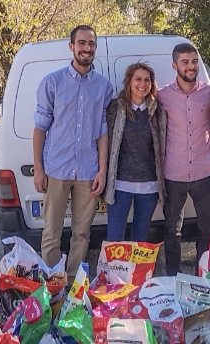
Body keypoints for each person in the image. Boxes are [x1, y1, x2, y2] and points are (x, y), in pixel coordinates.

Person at [33, 25, 113, 277]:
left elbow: (102, 132)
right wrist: (38, 168)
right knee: (51, 232)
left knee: (81, 233)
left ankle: (72, 288)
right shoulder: (52, 82)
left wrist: (102, 169)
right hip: (56, 168)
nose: (86, 48)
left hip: (88, 171)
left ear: (95, 48)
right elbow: (40, 128)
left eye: (91, 44)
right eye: (81, 43)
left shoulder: (104, 87)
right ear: (71, 46)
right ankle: (52, 285)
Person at [157, 43, 210, 276]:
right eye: (185, 62)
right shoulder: (162, 95)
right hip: (174, 174)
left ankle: (202, 276)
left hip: (205, 173)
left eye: (194, 61)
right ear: (175, 65)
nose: (191, 66)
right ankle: (173, 276)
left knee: (208, 229)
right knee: (172, 230)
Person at [104, 62, 168, 242]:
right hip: (120, 186)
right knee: (114, 237)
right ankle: (111, 271)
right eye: (138, 79)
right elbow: (105, 142)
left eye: (147, 80)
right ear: (129, 82)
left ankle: (136, 271)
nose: (143, 84)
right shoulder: (115, 108)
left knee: (140, 238)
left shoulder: (157, 111)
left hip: (149, 186)